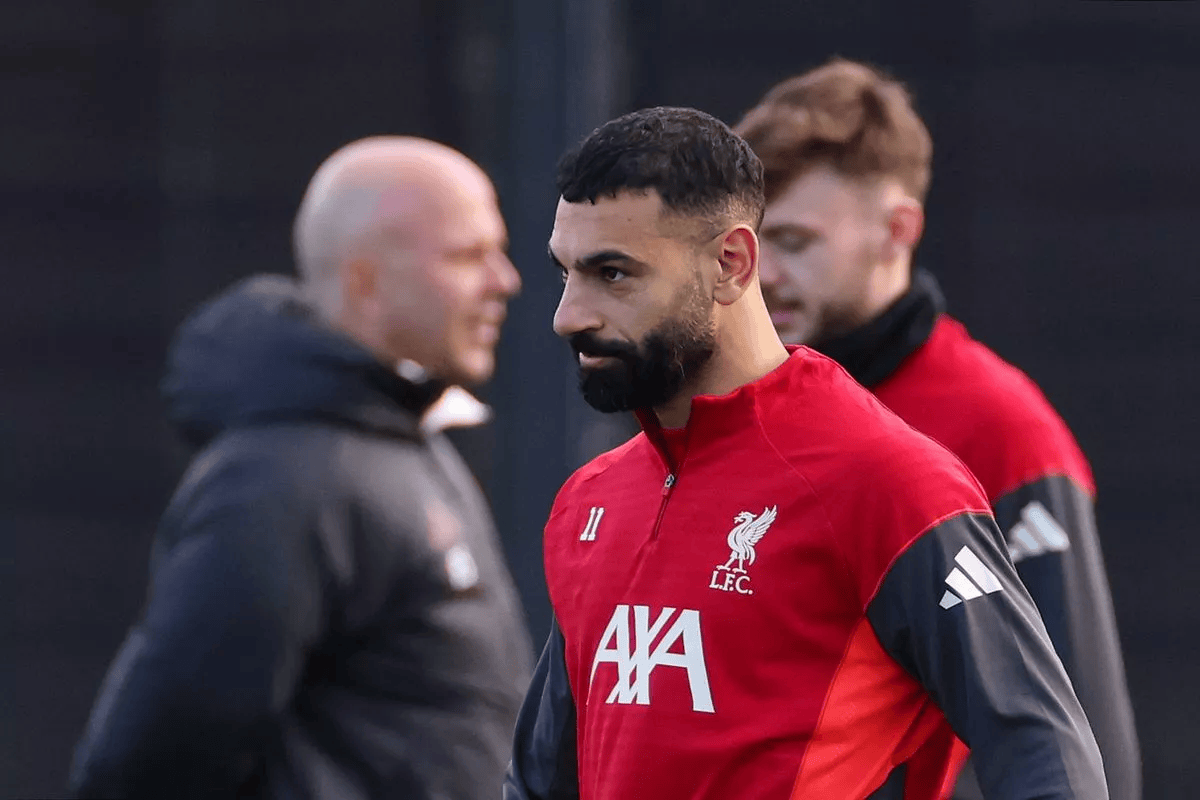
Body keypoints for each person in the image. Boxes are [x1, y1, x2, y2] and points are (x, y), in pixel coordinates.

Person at [504, 106, 1107, 800]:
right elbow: (539, 783)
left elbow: (1045, 752)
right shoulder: (592, 499)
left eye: (612, 274)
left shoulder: (887, 480)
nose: (568, 316)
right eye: (566, 274)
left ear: (731, 264)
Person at [68, 137, 533, 799]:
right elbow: (155, 758)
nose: (504, 281)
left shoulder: (398, 437)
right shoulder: (283, 480)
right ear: (365, 281)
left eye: (498, 251)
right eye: (466, 256)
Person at [734, 58, 1140, 799]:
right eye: (754, 243)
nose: (764, 274)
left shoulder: (1000, 428)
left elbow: (1082, 742)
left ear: (898, 231)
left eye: (793, 241)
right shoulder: (734, 410)